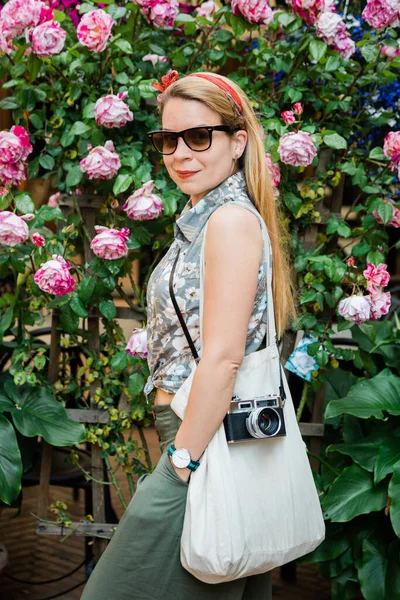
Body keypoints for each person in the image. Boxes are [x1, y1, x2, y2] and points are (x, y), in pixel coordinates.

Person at [81, 70, 297, 600]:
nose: (181, 153)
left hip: (200, 438)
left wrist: (181, 462)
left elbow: (223, 358)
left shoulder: (227, 222)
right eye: (168, 140)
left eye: (199, 137)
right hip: (205, 433)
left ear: (237, 140)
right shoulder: (205, 218)